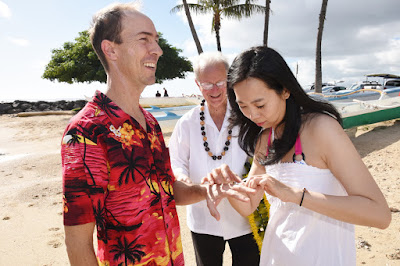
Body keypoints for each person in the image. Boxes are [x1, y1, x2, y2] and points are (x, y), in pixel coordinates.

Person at [61, 3, 251, 265]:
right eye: (144, 40)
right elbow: (78, 242)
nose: (158, 50)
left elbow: (167, 190)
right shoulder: (86, 131)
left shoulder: (150, 124)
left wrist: (208, 189)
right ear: (110, 49)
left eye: (157, 40)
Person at [205, 46, 391, 265]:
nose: (253, 115)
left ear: (285, 90)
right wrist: (229, 188)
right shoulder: (266, 137)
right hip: (276, 256)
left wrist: (295, 195)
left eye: (260, 104)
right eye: (243, 106)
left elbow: (380, 215)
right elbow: (248, 205)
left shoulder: (321, 128)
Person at [169, 51, 260, 266]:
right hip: (203, 219)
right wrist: (186, 182)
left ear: (229, 80)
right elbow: (177, 162)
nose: (215, 90)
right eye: (207, 84)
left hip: (245, 218)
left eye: (220, 82)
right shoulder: (187, 122)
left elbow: (262, 158)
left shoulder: (247, 117)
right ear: (197, 84)